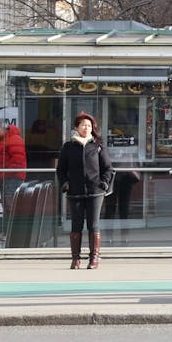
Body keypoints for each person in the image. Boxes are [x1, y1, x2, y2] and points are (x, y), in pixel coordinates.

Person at [56, 112, 110, 269]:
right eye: (83, 125)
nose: (86, 128)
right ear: (76, 127)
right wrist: (66, 184)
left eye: (89, 125)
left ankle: (94, 258)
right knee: (76, 225)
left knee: (94, 225)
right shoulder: (68, 147)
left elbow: (107, 168)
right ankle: (75, 259)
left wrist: (104, 184)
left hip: (95, 192)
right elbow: (61, 170)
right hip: (75, 192)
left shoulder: (98, 146)